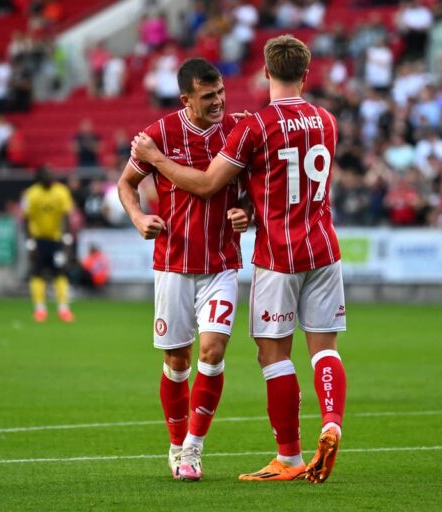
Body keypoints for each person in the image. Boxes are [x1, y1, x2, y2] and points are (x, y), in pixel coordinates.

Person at [132, 34, 347, 484]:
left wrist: (157, 159)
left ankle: (287, 456)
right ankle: (331, 422)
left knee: (272, 354)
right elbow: (268, 178)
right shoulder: (327, 120)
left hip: (277, 253)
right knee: (324, 350)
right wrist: (245, 207)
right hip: (324, 248)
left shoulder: (254, 125)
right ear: (306, 75)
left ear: (265, 73)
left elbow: (212, 183)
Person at [117, 58, 250, 482]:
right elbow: (126, 184)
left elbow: (251, 192)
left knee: (213, 352)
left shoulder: (239, 132)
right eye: (208, 95)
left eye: (221, 92)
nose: (218, 101)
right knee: (178, 361)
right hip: (173, 264)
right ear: (186, 98)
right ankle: (175, 446)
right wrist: (139, 219)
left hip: (221, 265)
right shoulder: (159, 134)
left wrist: (245, 211)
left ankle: (193, 447)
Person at [21, 165, 76, 323]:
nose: (50, 178)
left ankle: (63, 309)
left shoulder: (61, 192)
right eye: (47, 175)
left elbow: (66, 216)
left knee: (60, 272)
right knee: (37, 273)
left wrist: (66, 237)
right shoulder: (31, 194)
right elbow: (25, 218)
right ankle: (40, 309)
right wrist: (29, 241)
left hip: (56, 240)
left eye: (51, 175)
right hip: (38, 240)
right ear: (40, 178)